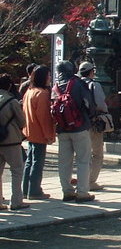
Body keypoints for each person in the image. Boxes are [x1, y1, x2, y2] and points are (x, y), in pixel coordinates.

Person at [52, 61, 95, 202]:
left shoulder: (56, 86)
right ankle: (82, 192)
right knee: (83, 160)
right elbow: (89, 103)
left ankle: (67, 191)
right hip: (80, 126)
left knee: (64, 162)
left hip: (62, 128)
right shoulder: (78, 83)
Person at [22, 65, 55, 200]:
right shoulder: (42, 94)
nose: (50, 78)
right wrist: (49, 135)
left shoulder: (29, 91)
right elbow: (44, 117)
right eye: (48, 75)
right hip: (39, 132)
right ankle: (35, 190)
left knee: (30, 161)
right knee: (37, 162)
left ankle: (26, 189)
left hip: (29, 130)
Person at [78, 61, 108, 191]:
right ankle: (90, 181)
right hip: (93, 122)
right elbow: (101, 104)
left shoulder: (74, 84)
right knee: (97, 153)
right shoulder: (94, 85)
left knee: (82, 154)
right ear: (91, 72)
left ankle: (80, 180)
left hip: (78, 123)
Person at [0, 73, 27, 210]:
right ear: (10, 86)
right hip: (11, 140)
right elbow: (22, 121)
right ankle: (16, 201)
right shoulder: (11, 102)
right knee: (16, 170)